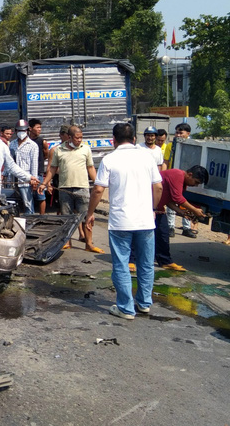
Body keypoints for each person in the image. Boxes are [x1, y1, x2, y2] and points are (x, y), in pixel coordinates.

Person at [86, 123, 162, 319]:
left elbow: (98, 189)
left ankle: (126, 308)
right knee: (146, 264)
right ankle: (144, 303)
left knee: (121, 264)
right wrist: (153, 209)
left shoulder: (110, 159)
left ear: (114, 140)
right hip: (145, 220)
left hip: (121, 221)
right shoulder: (147, 157)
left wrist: (90, 213)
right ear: (134, 139)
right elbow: (159, 187)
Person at [39, 126, 102, 253]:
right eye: (77, 138)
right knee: (66, 218)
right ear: (69, 137)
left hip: (82, 188)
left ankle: (89, 244)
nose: (79, 140)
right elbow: (52, 168)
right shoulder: (59, 150)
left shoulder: (86, 149)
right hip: (65, 189)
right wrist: (45, 183)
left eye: (81, 138)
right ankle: (67, 242)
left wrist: (97, 183)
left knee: (86, 217)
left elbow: (90, 167)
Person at [151, 165, 209, 272]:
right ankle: (131, 260)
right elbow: (177, 197)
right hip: (148, 205)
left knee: (163, 234)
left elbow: (169, 200)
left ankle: (165, 261)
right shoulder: (177, 175)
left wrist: (181, 212)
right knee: (140, 234)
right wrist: (194, 210)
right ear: (190, 174)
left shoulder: (183, 183)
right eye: (196, 182)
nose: (195, 185)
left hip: (158, 208)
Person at [168, 123, 197, 238]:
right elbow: (166, 161)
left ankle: (186, 227)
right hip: (174, 178)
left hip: (187, 179)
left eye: (181, 133)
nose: (178, 135)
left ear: (188, 134)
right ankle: (170, 226)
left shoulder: (193, 146)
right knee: (171, 202)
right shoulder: (171, 146)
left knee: (185, 203)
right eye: (176, 132)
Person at [7, 119, 38, 214]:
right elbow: (8, 161)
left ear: (27, 131)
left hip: (25, 181)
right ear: (16, 131)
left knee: (28, 204)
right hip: (12, 180)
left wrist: (34, 180)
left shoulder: (33, 145)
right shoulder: (12, 144)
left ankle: (29, 223)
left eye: (23, 131)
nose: (21, 133)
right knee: (11, 205)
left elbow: (34, 164)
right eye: (19, 131)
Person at [28, 118, 49, 214]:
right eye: (37, 127)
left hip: (38, 172)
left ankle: (42, 216)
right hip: (27, 173)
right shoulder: (26, 141)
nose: (39, 129)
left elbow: (46, 155)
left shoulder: (42, 142)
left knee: (41, 195)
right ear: (30, 128)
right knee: (28, 196)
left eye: (40, 127)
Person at [48, 125, 70, 216]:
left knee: (77, 210)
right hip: (59, 181)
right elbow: (50, 167)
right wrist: (48, 183)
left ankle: (80, 230)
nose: (69, 137)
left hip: (74, 181)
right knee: (61, 208)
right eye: (67, 134)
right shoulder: (55, 150)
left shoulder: (77, 149)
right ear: (61, 135)